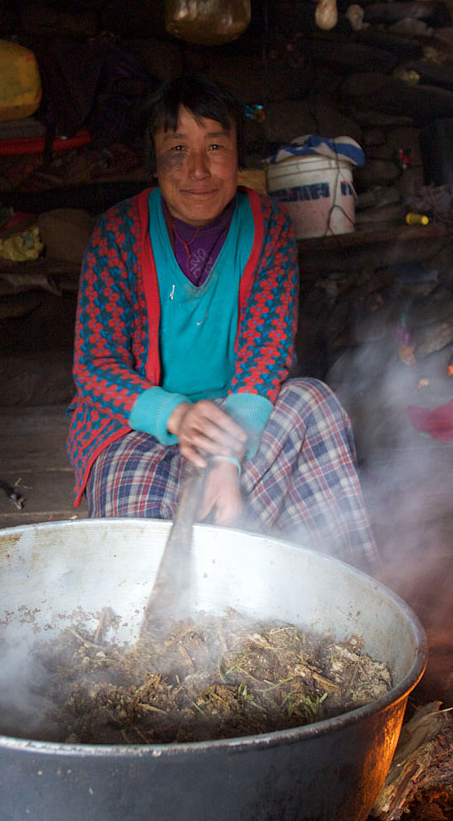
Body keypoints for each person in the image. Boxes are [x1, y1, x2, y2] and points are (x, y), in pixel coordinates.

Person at [66, 74, 379, 570]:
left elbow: (267, 354)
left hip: (238, 414)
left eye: (215, 146)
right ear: (155, 163)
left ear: (238, 157)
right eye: (177, 149)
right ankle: (225, 590)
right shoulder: (117, 233)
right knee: (147, 559)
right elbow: (95, 365)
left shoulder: (268, 224)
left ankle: (344, 599)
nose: (197, 169)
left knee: (312, 402)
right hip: (138, 426)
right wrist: (176, 417)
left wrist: (227, 459)